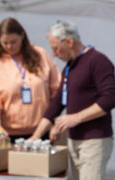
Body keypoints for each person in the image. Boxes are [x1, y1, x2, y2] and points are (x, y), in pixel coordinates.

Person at [30, 21, 115, 180]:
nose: (53, 54)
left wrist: (75, 118)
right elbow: (57, 104)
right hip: (74, 141)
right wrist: (36, 135)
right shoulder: (69, 68)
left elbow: (110, 98)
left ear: (69, 41)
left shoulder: (98, 61)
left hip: (94, 141)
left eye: (55, 48)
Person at [0, 17, 61, 148]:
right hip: (9, 135)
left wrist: (54, 122)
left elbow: (56, 92)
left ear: (22, 36)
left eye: (13, 42)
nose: (9, 47)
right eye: (4, 43)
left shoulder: (40, 54)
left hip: (42, 132)